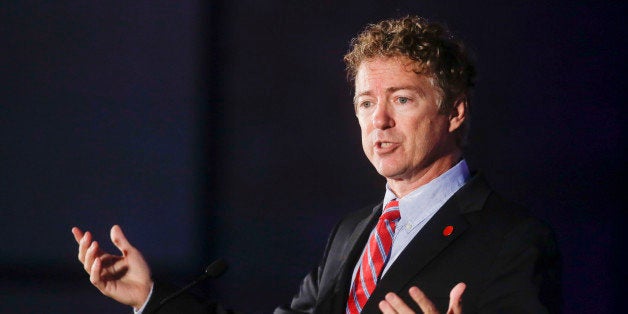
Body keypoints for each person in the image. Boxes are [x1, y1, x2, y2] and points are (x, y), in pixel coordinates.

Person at [72, 15, 561, 313]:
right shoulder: (353, 233)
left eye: (403, 99)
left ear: (454, 112)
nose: (380, 121)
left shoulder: (512, 239)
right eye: (366, 103)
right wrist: (150, 297)